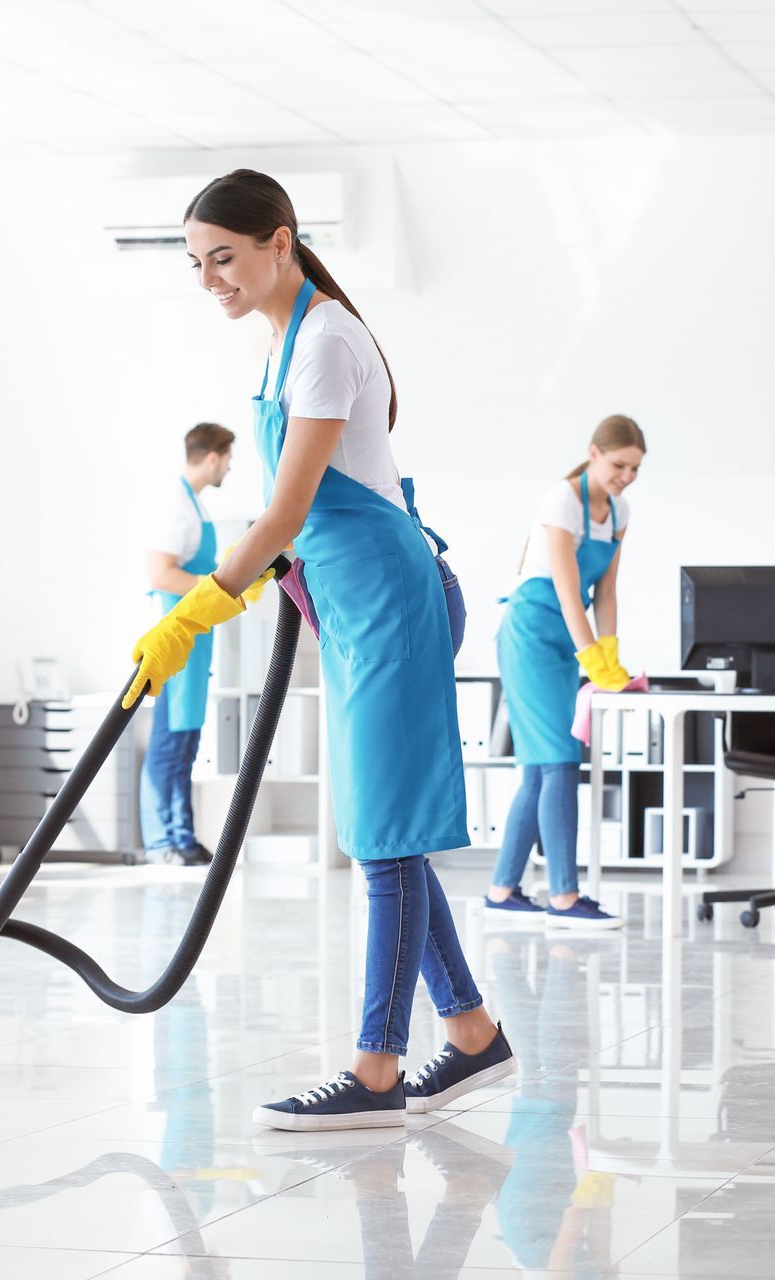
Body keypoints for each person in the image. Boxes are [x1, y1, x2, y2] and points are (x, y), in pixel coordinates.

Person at [122, 168, 514, 1131]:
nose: (210, 279)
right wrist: (267, 578)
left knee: (381, 841)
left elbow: (289, 509)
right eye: (196, 263)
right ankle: (471, 1035)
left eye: (223, 257)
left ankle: (376, 1072)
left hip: (390, 602)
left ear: (279, 241)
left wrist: (195, 611)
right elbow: (294, 514)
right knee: (387, 833)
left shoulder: (326, 339)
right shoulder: (282, 345)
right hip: (350, 603)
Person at [488, 417, 647, 929]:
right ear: (594, 453)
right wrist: (592, 660)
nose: (626, 476)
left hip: (567, 639)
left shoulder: (619, 512)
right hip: (532, 633)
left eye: (635, 469)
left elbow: (606, 591)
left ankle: (502, 890)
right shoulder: (563, 500)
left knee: (540, 767)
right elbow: (565, 590)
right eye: (619, 465)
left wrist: (610, 654)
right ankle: (563, 896)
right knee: (559, 760)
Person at [140, 422, 236, 867]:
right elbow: (161, 574)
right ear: (212, 457)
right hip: (176, 636)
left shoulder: (194, 505)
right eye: (228, 458)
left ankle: (182, 836)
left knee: (186, 740)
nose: (229, 467)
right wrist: (214, 589)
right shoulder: (175, 506)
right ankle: (161, 842)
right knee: (169, 739)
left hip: (195, 639)